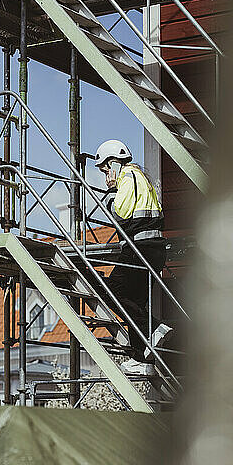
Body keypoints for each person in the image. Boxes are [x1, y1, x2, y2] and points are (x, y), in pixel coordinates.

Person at [94, 139, 173, 376]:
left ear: (114, 162)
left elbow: (121, 213)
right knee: (134, 305)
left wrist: (109, 194)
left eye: (106, 168)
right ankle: (143, 360)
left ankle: (155, 327)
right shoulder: (143, 179)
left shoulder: (128, 177)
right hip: (152, 248)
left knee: (113, 291)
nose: (106, 174)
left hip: (140, 248)